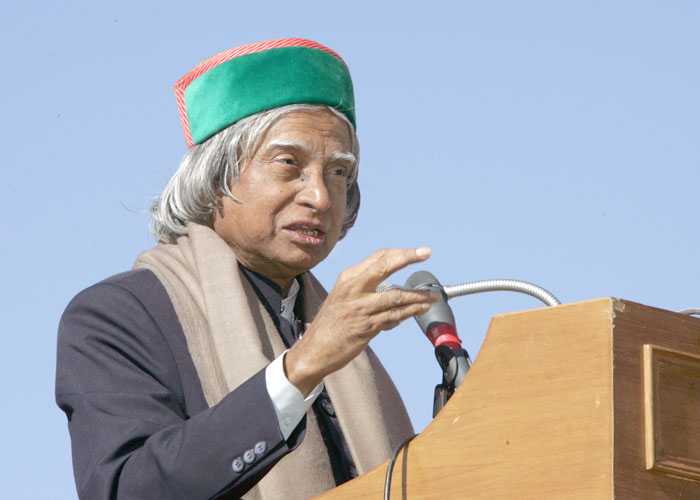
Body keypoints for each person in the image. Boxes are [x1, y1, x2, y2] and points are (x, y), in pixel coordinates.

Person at [55, 38, 436, 499]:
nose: (319, 197)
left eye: (338, 173)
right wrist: (300, 369)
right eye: (289, 164)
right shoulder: (118, 314)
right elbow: (125, 490)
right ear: (216, 176)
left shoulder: (333, 329)